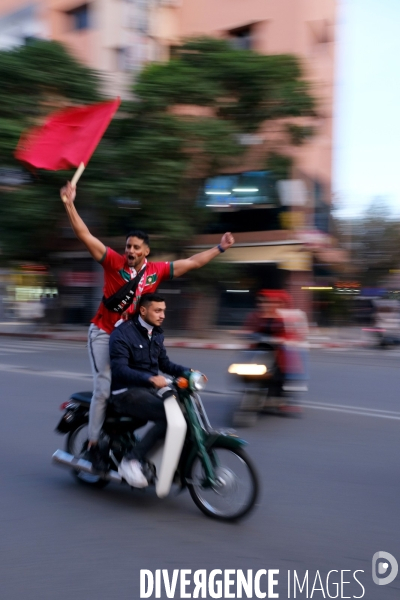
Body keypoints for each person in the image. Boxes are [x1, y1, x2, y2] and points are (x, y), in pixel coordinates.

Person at [60, 181, 234, 471]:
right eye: (128, 246)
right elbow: (83, 234)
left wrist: (219, 248)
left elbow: (192, 263)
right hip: (103, 334)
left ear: (146, 251)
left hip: (129, 338)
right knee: (104, 388)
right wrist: (69, 203)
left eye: (136, 247)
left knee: (152, 387)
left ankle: (130, 441)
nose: (130, 250)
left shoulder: (156, 272)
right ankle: (92, 447)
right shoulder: (112, 262)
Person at [109, 293, 193, 487]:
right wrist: (149, 378)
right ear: (143, 310)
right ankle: (131, 461)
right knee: (168, 417)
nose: (162, 315)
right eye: (157, 310)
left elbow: (164, 363)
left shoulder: (156, 333)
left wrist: (188, 372)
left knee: (183, 410)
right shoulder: (122, 334)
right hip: (126, 392)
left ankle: (168, 460)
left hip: (148, 390)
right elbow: (119, 369)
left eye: (163, 310)